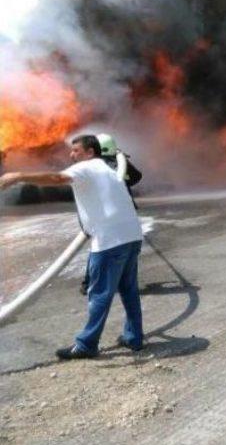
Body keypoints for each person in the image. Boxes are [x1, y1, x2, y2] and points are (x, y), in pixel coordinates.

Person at [0, 134, 144, 360]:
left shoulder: (86, 168)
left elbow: (57, 178)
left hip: (109, 241)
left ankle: (87, 344)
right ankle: (134, 337)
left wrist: (19, 176)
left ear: (90, 152)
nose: (71, 154)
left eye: (76, 150)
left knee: (99, 295)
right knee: (129, 290)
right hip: (132, 236)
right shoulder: (107, 168)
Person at [79, 133, 143, 295]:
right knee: (126, 247)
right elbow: (136, 177)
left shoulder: (93, 167)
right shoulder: (117, 164)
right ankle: (124, 283)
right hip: (124, 213)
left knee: (99, 247)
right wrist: (122, 160)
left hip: (103, 216)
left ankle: (88, 284)